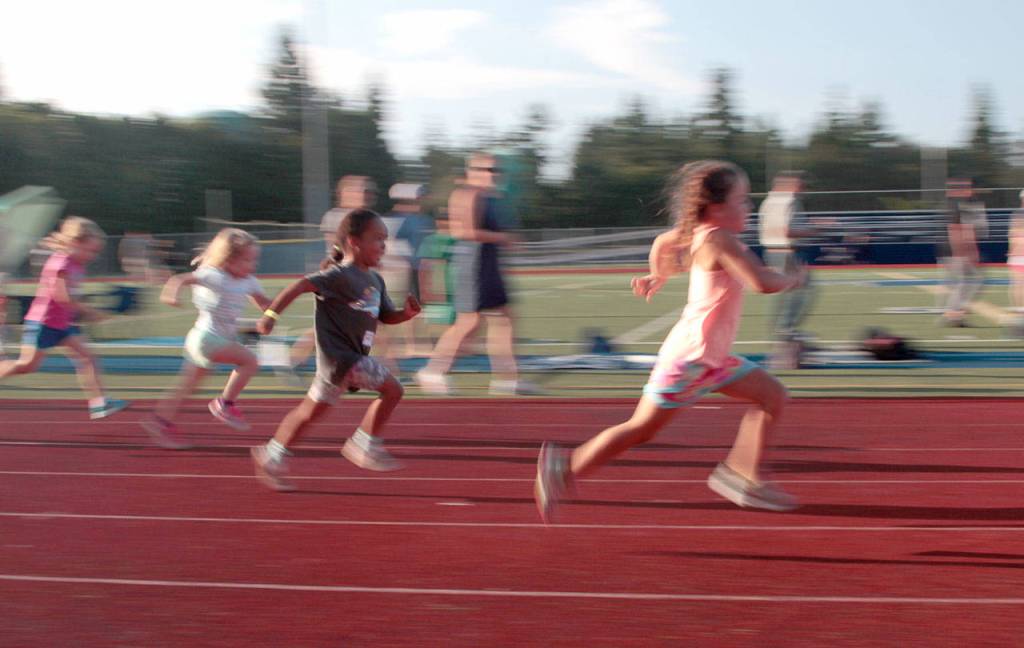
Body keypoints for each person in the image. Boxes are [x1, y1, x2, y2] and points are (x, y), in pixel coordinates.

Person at [534, 161, 805, 523]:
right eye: (742, 200)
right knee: (640, 429)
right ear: (716, 208)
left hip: (713, 358)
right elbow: (760, 283)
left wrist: (656, 273)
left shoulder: (703, 233)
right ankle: (564, 467)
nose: (749, 208)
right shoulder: (718, 239)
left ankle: (743, 476)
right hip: (690, 359)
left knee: (772, 395)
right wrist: (791, 278)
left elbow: (663, 241)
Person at [250, 209, 421, 491]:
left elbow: (386, 315)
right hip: (340, 359)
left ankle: (271, 454)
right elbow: (300, 285)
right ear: (354, 242)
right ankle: (363, 443)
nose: (383, 246)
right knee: (394, 389)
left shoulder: (375, 281)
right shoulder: (338, 275)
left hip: (345, 363)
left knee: (310, 413)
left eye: (385, 239)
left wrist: (406, 314)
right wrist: (270, 315)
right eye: (377, 239)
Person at [415, 153, 535, 395]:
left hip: (489, 263)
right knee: (469, 322)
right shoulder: (467, 194)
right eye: (487, 170)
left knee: (505, 318)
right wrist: (503, 238)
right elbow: (465, 232)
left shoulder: (493, 197)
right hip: (473, 264)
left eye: (496, 170)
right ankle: (432, 371)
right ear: (472, 171)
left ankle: (507, 378)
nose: (493, 174)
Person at [141, 228, 271, 449]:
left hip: (205, 340)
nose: (252, 265)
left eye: (254, 260)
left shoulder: (249, 281)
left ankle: (160, 422)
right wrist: (170, 294)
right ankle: (225, 404)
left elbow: (266, 305)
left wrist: (274, 313)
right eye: (247, 260)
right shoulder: (213, 275)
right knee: (249, 361)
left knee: (186, 388)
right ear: (228, 259)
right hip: (206, 339)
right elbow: (180, 279)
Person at [0, 217, 129, 419]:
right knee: (26, 366)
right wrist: (90, 312)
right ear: (74, 243)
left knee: (87, 357)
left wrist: (84, 314)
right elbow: (62, 297)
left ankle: (99, 403)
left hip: (62, 324)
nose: (93, 256)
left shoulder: (77, 264)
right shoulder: (60, 263)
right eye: (90, 250)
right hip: (43, 323)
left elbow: (71, 298)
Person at [289, 176, 380, 371]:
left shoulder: (366, 217)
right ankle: (295, 357)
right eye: (360, 191)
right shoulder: (336, 216)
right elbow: (336, 247)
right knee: (343, 324)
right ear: (344, 194)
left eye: (368, 191)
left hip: (357, 277)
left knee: (367, 321)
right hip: (341, 277)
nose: (365, 195)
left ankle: (296, 358)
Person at [758, 171, 817, 367]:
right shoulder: (790, 201)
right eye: (800, 185)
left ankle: (781, 332)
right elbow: (787, 230)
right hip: (787, 251)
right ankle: (786, 331)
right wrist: (815, 230)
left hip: (773, 250)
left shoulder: (769, 201)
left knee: (783, 293)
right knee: (802, 291)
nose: (803, 189)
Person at [937, 179, 984, 327]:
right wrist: (967, 251)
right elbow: (956, 229)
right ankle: (953, 313)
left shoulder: (955, 204)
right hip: (955, 250)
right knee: (970, 281)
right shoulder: (958, 204)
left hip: (950, 250)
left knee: (964, 282)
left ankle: (954, 314)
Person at [1007, 189, 1024, 335]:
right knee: (1018, 286)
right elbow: (1013, 235)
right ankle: (1020, 317)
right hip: (1019, 256)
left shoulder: (1017, 215)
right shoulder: (1019, 215)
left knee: (1018, 286)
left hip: (1018, 255)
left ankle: (1020, 317)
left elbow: (1012, 235)